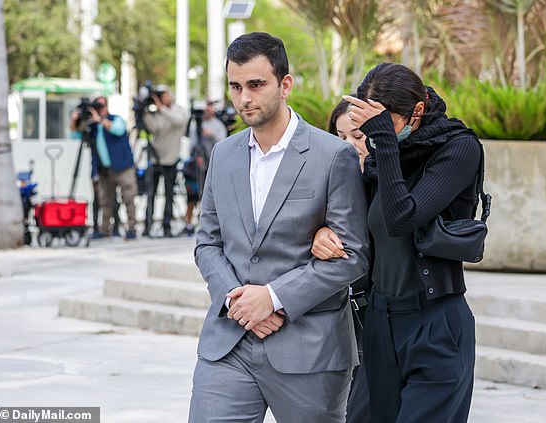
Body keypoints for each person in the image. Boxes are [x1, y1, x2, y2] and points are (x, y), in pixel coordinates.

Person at [187, 32, 369, 423]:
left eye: (256, 85)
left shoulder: (332, 155)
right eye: (235, 87)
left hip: (310, 348)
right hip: (229, 344)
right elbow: (207, 243)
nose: (244, 99)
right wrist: (238, 301)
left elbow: (353, 256)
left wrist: (273, 297)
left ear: (285, 84)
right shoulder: (223, 154)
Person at [313, 62, 480, 422]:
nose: (371, 134)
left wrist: (385, 143)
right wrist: (323, 231)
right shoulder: (381, 156)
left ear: (417, 110)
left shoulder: (458, 148)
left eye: (382, 121)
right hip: (379, 321)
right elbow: (354, 222)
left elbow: (403, 217)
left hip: (435, 323)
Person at [324, 97, 371, 423]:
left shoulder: (387, 183)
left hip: (377, 318)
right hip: (336, 319)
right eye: (339, 138)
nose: (348, 146)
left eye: (356, 135)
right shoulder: (326, 182)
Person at [70, 96, 138, 240]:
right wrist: (75, 119)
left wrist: (100, 120)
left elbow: (118, 130)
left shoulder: (115, 119)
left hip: (123, 167)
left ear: (106, 107)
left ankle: (131, 228)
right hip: (105, 170)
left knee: (128, 198)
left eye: (100, 106)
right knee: (105, 201)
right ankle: (104, 229)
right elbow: (74, 134)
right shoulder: (92, 126)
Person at [142, 85, 189, 237]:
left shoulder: (178, 111)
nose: (162, 98)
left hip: (171, 160)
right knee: (151, 193)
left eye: (164, 95)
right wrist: (144, 114)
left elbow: (178, 122)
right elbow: (153, 129)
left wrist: (161, 108)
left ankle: (166, 225)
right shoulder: (157, 113)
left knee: (169, 194)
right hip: (156, 159)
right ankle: (147, 224)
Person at [180, 100, 228, 236]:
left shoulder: (218, 125)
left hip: (212, 165)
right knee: (192, 195)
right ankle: (188, 223)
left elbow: (223, 143)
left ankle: (211, 225)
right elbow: (191, 144)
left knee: (210, 196)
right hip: (196, 166)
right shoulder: (196, 125)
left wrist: (211, 134)